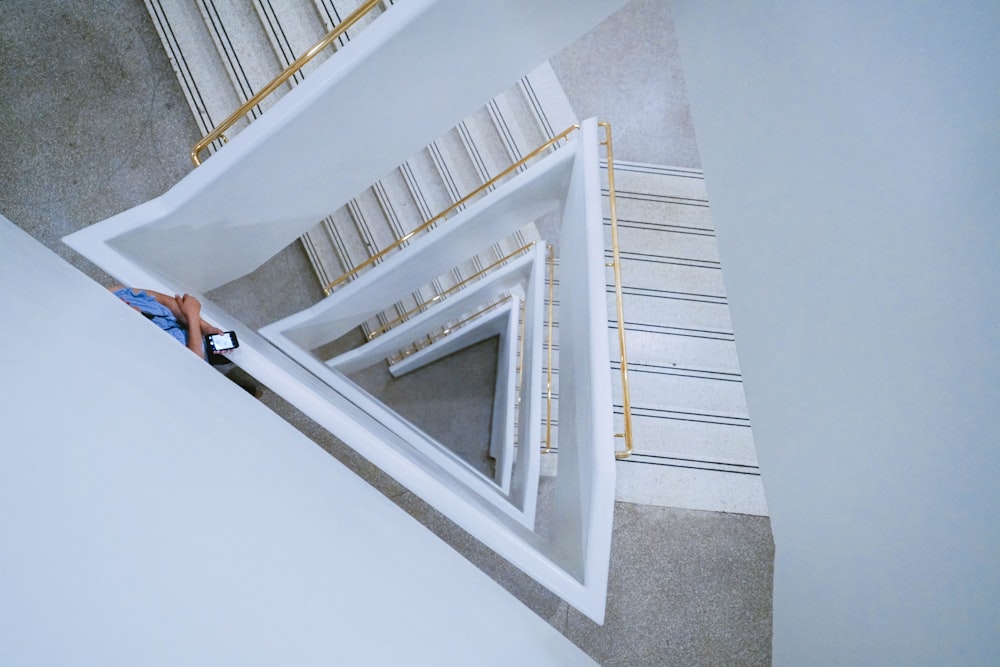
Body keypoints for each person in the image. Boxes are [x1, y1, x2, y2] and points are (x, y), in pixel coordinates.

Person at [109, 285, 262, 397]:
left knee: (229, 351)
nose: (129, 304)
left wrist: (204, 327)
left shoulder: (118, 293)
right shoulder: (135, 342)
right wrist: (192, 317)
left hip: (190, 334)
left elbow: (166, 301)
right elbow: (193, 363)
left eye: (126, 304)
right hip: (192, 359)